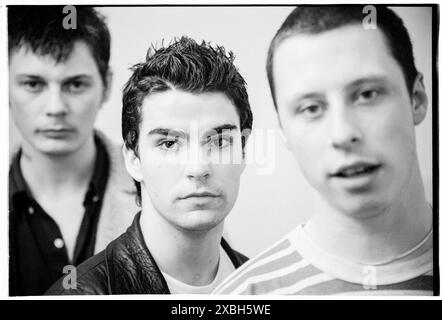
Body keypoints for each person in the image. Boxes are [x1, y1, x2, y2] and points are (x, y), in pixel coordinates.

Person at [214, 5, 434, 295]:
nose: (343, 134)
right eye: (311, 108)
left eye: (367, 94)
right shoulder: (243, 298)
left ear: (416, 99)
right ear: (283, 132)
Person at [46, 36, 253, 295]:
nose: (198, 168)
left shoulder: (269, 285)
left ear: (243, 149)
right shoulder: (81, 295)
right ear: (133, 159)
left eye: (220, 141)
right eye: (168, 143)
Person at [9, 6, 138, 296]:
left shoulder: (161, 184)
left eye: (75, 84)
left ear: (106, 85)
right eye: (33, 84)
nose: (55, 108)